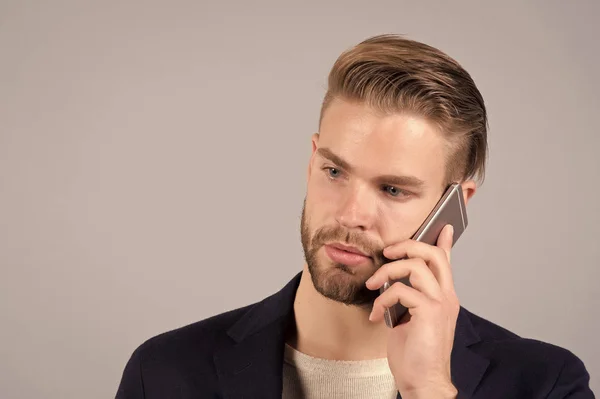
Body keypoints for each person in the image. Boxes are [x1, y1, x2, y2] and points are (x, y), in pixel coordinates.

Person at [115, 34, 594, 399]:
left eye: (392, 189)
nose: (350, 214)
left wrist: (428, 387)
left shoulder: (546, 383)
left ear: (454, 207)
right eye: (334, 171)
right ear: (310, 162)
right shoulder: (163, 373)